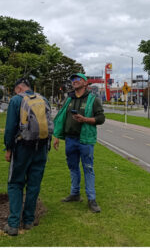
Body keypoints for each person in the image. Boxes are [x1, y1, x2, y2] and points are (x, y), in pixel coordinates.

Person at [3, 78, 51, 236]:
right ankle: (29, 221)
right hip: (41, 147)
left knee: (15, 183)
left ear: (18, 88)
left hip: (22, 147)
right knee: (34, 184)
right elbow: (49, 124)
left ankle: (13, 224)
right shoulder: (43, 99)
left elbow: (10, 128)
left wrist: (8, 148)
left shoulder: (16, 100)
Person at [52, 73, 105, 213]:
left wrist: (85, 119)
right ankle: (75, 194)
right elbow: (62, 117)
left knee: (88, 168)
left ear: (85, 83)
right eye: (72, 80)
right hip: (70, 139)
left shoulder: (93, 99)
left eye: (77, 79)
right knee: (73, 167)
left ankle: (91, 199)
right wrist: (57, 136)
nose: (74, 81)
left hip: (85, 140)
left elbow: (101, 118)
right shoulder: (69, 98)